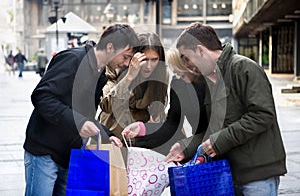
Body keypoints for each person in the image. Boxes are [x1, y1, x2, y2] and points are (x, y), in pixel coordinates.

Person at [163, 22, 286, 195]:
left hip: (257, 175)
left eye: (186, 57)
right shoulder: (210, 81)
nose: (187, 64)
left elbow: (262, 115)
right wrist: (184, 147)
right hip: (231, 173)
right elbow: (213, 131)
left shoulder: (243, 68)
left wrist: (218, 141)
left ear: (200, 50)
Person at [23, 23, 139, 196]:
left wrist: (108, 135)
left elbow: (85, 116)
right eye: (126, 57)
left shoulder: (100, 73)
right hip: (44, 151)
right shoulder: (72, 58)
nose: (127, 63)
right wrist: (79, 121)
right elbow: (41, 97)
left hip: (69, 154)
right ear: (110, 47)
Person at [122, 48, 208, 155]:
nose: (176, 74)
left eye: (180, 71)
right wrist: (142, 128)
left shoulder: (209, 81)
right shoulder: (179, 83)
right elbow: (172, 124)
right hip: (200, 144)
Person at [99, 32, 169, 140]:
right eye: (144, 59)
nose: (149, 66)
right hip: (114, 135)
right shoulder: (116, 68)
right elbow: (107, 106)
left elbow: (159, 106)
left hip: (140, 138)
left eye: (154, 60)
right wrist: (129, 77)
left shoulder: (161, 75)